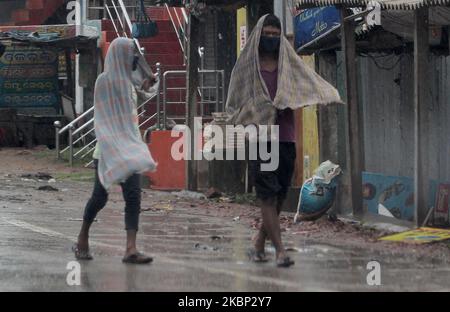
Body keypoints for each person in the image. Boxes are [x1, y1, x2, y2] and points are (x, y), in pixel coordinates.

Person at [226, 14, 342, 267]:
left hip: (286, 138)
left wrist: (326, 94)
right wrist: (260, 109)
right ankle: (279, 251)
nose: (270, 39)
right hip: (260, 138)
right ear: (258, 36)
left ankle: (259, 242)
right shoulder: (248, 66)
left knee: (278, 196)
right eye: (266, 34)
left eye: (275, 35)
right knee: (267, 195)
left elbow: (306, 83)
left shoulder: (288, 64)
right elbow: (237, 98)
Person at [72, 38, 157, 264]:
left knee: (133, 196)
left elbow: (142, 96)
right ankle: (82, 237)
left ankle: (131, 248)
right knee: (99, 198)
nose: (134, 59)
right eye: (131, 55)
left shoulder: (129, 83)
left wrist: (147, 83)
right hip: (108, 150)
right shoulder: (104, 81)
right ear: (120, 56)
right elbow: (103, 116)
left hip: (129, 149)